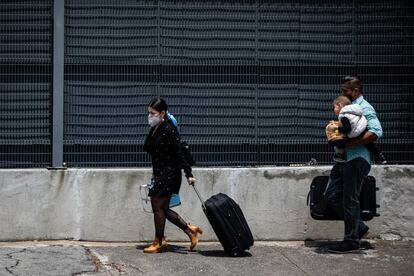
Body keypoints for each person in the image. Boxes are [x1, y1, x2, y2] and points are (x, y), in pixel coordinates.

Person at [324, 75, 383, 253]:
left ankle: (351, 241)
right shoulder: (348, 108)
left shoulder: (364, 107)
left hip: (357, 159)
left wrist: (349, 144)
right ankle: (358, 227)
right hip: (343, 160)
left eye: (345, 90)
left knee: (350, 199)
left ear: (355, 91)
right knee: (331, 195)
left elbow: (376, 131)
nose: (342, 93)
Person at [143, 97, 202, 253]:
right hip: (160, 173)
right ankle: (190, 230)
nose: (149, 116)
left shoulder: (169, 129)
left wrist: (189, 173)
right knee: (163, 208)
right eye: (148, 113)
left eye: (152, 113)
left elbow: (179, 153)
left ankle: (159, 241)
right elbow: (147, 147)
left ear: (162, 113)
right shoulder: (156, 127)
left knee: (157, 204)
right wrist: (152, 129)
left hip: (170, 174)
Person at [326, 95, 386, 164]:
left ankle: (340, 156)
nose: (333, 110)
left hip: (355, 132)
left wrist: (338, 129)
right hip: (363, 129)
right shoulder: (355, 110)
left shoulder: (343, 116)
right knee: (369, 144)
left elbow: (347, 129)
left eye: (334, 107)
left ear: (339, 105)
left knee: (339, 141)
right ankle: (379, 156)